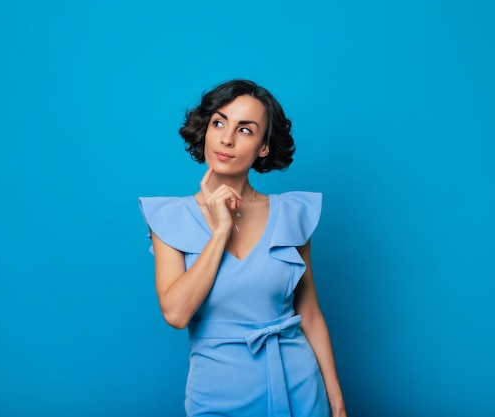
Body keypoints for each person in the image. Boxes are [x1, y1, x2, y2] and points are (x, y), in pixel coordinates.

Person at [139, 80, 347, 417]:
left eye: (245, 130)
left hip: (300, 389)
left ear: (263, 147)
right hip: (217, 396)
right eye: (219, 123)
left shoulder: (291, 215)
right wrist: (220, 231)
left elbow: (309, 314)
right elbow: (176, 314)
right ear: (205, 130)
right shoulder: (168, 219)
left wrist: (336, 401)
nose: (226, 138)